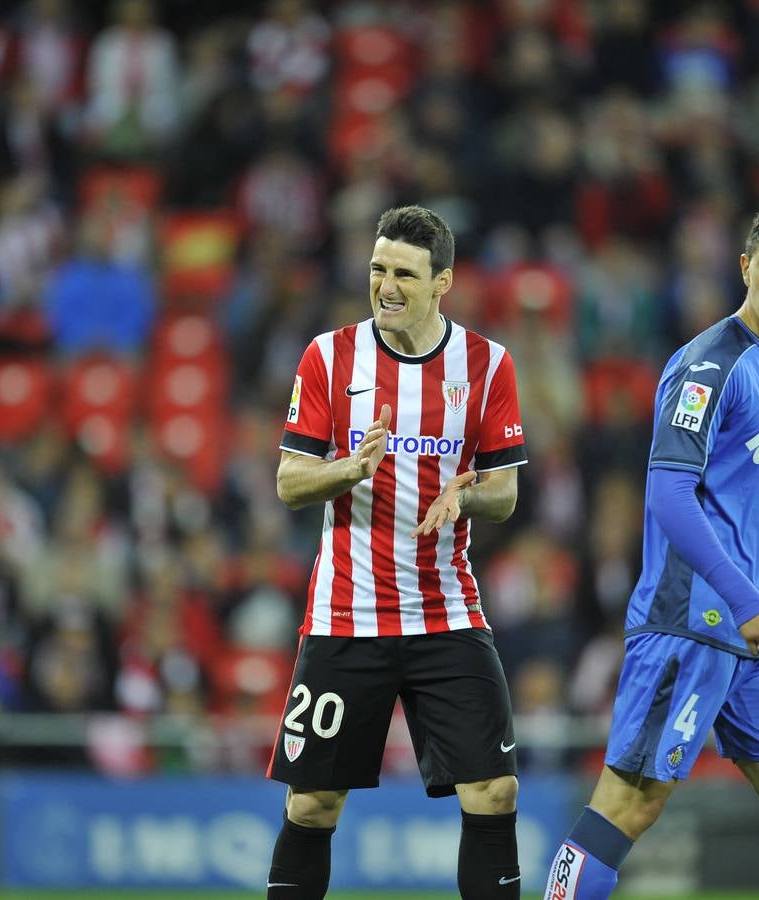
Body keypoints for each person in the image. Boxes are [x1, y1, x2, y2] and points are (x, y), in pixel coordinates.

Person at [542, 204, 759, 899]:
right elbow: (667, 498)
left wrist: (752, 605)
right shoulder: (709, 366)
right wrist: (748, 598)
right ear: (745, 267)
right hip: (691, 619)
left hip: (750, 632)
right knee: (630, 801)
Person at [267, 205, 528, 899]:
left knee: (495, 791)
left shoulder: (487, 364)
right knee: (312, 806)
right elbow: (291, 481)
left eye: (404, 274)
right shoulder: (328, 356)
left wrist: (464, 498)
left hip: (446, 613)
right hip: (346, 620)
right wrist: (348, 469)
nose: (386, 285)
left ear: (443, 281)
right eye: (378, 269)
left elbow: (504, 492)